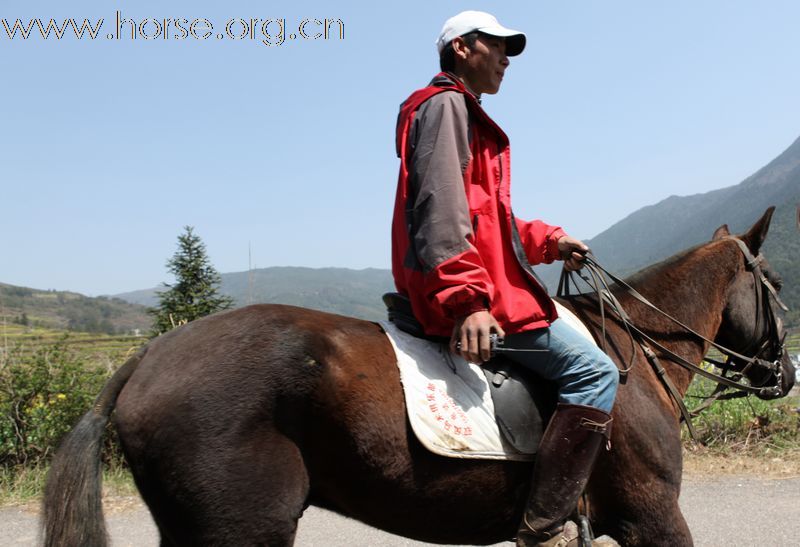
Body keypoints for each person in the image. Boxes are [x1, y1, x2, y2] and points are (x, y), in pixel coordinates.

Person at [390, 11, 620, 547]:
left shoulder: (456, 112)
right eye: (498, 47)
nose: (507, 59)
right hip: (467, 294)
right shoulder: (447, 107)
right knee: (596, 373)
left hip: (472, 280)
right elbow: (441, 209)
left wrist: (548, 240)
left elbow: (489, 219)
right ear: (464, 49)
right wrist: (468, 300)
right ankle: (542, 529)